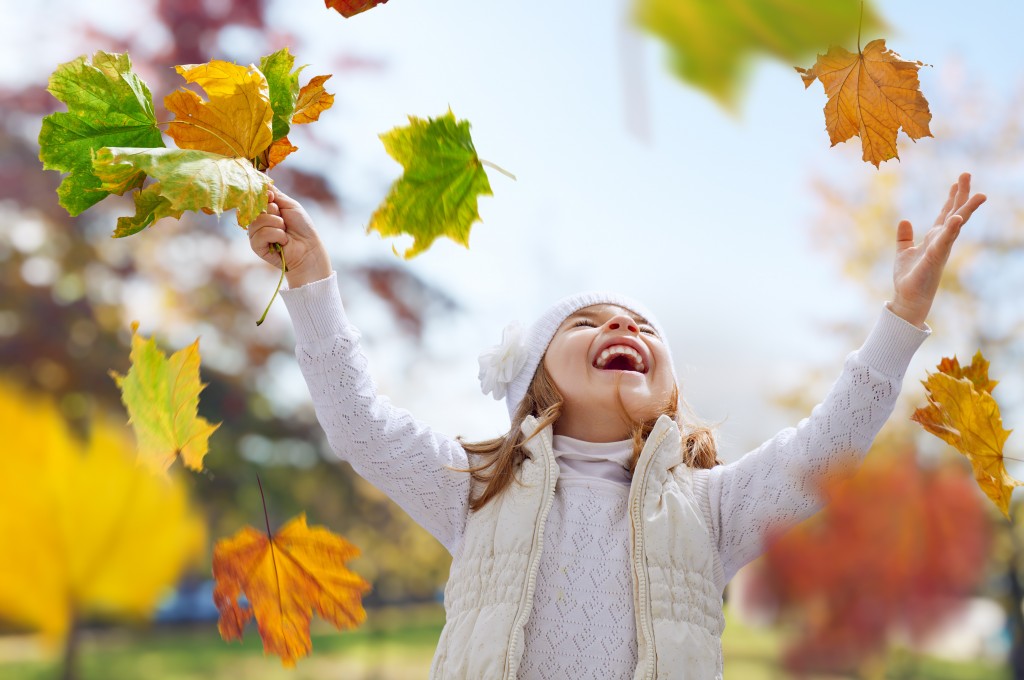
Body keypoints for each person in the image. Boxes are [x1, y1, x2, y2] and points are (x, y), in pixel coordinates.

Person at [247, 173, 986, 679]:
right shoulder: (477, 488)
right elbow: (359, 424)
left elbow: (828, 446)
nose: (623, 323)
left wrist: (902, 320)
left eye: (640, 325)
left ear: (668, 395)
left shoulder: (712, 507)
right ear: (536, 379)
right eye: (587, 322)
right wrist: (312, 283)